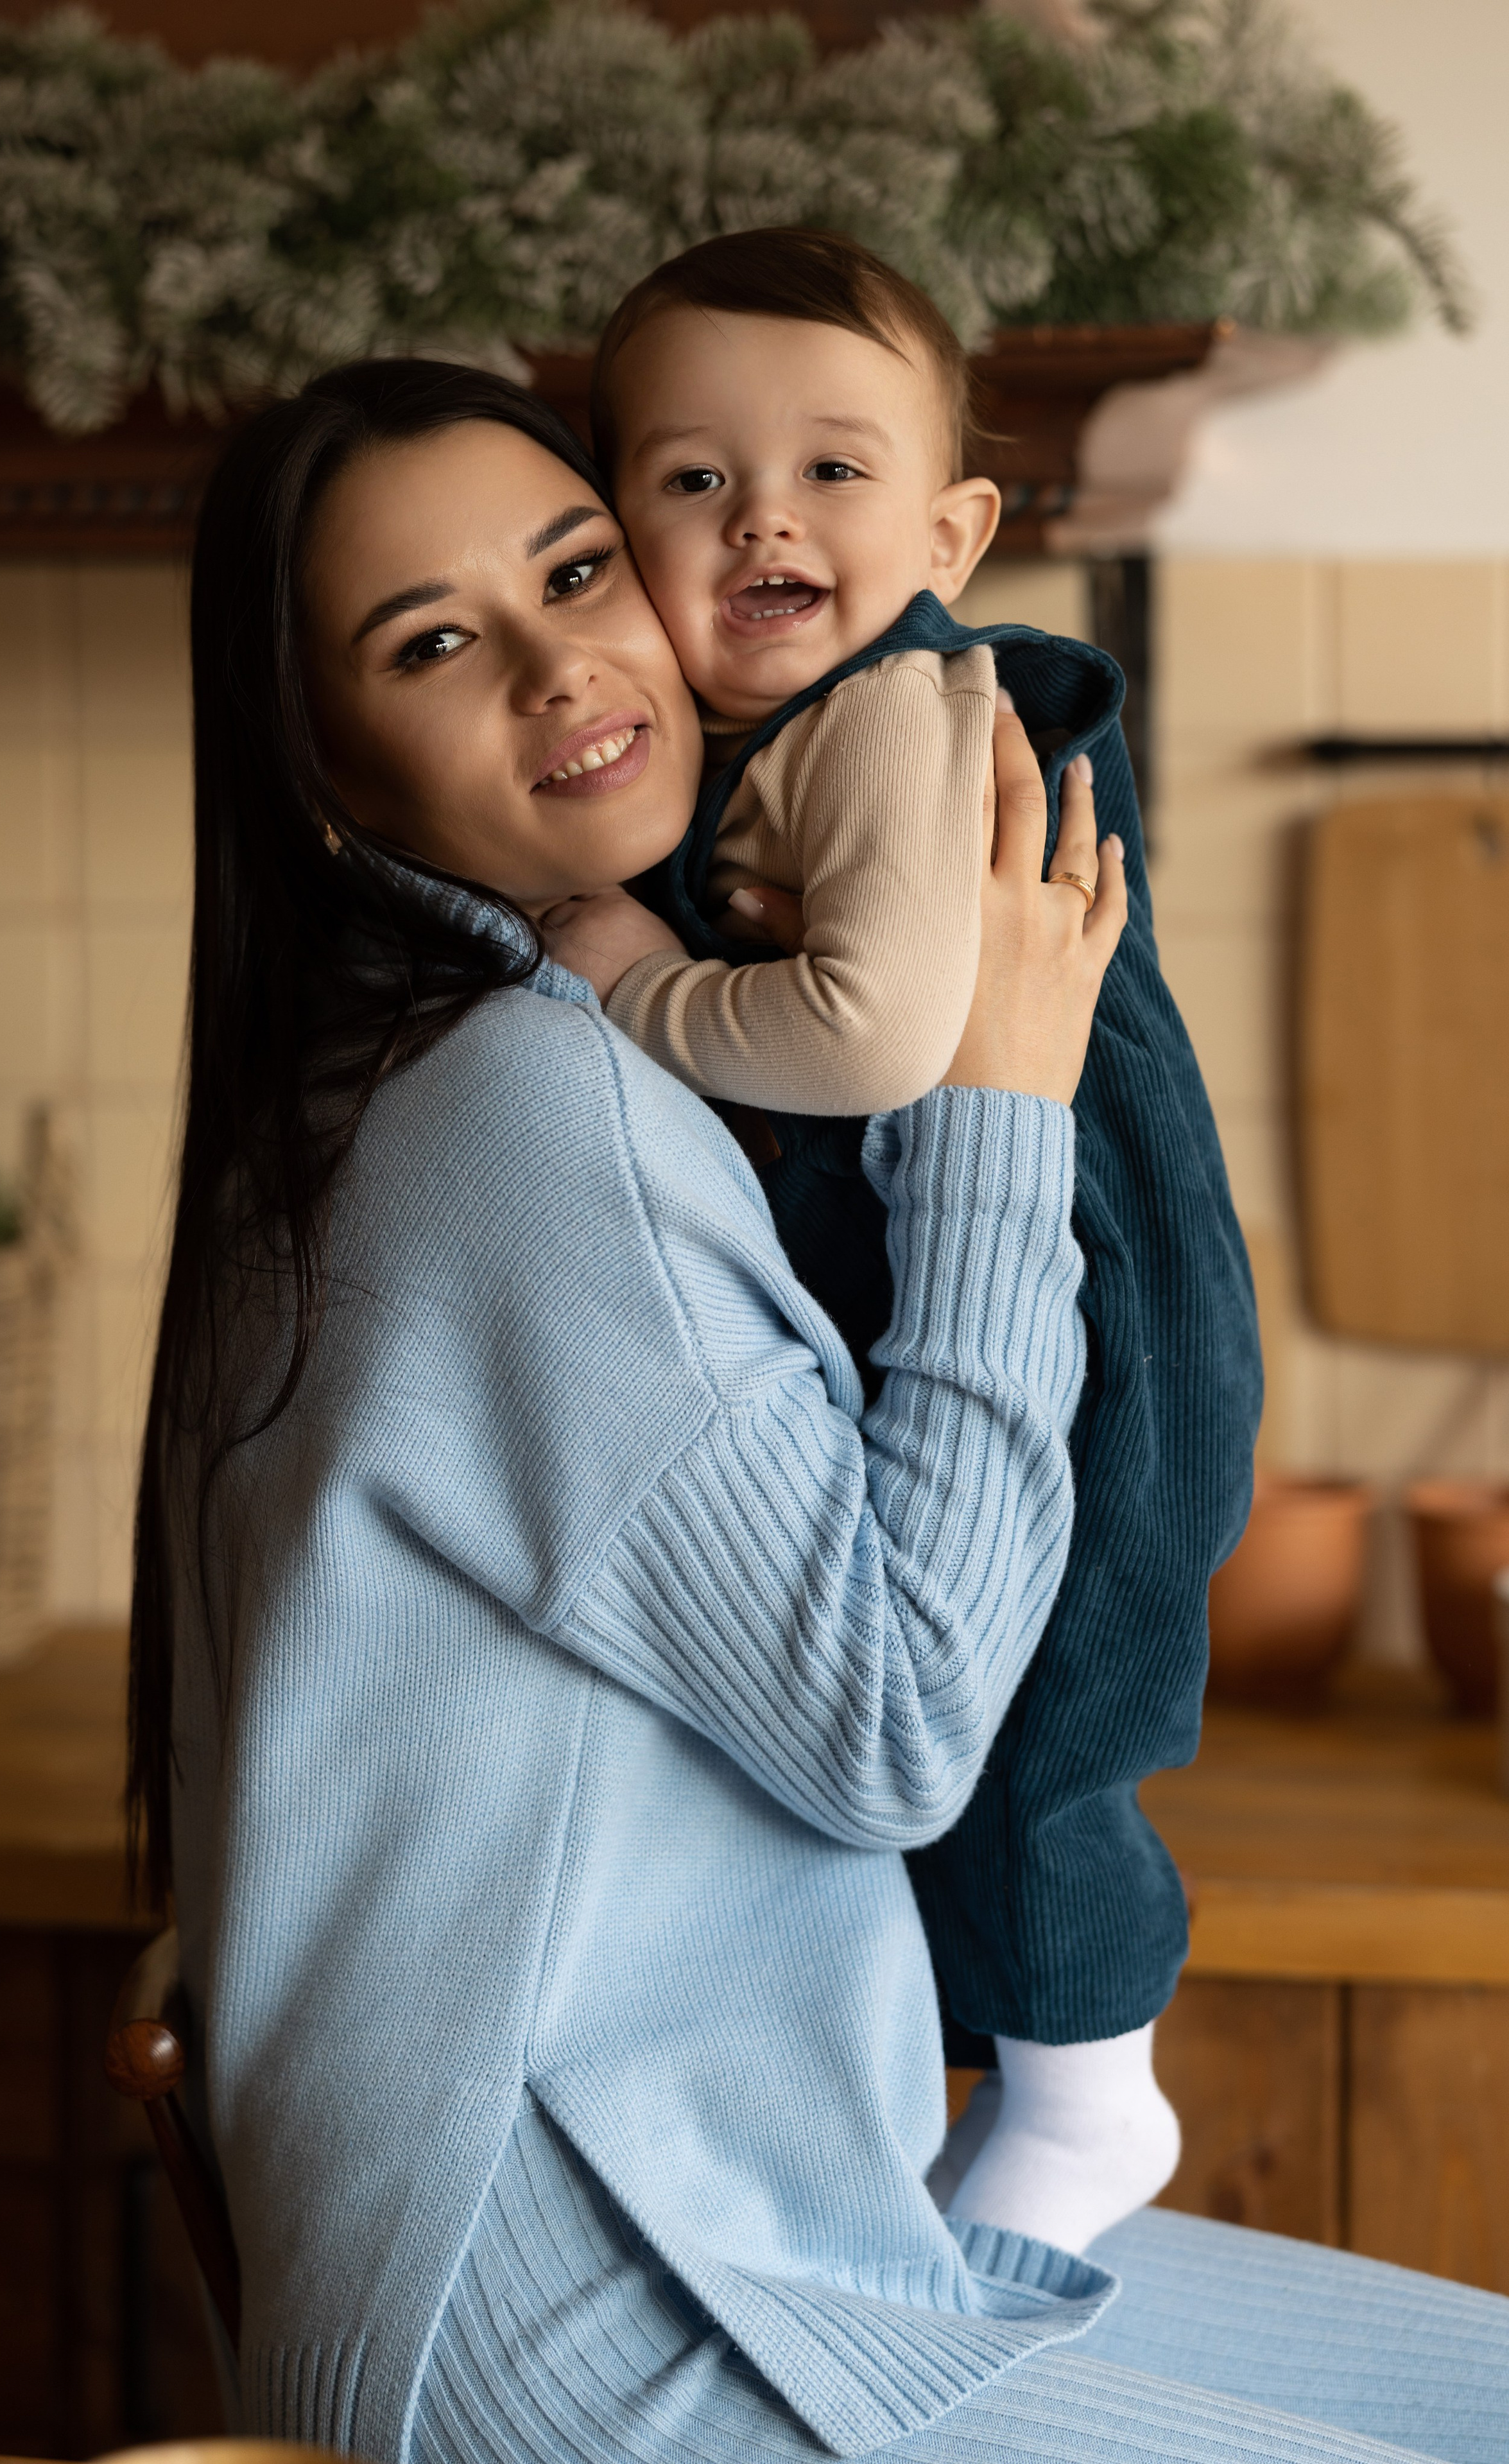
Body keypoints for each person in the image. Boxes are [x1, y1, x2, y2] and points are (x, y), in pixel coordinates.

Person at [130, 355, 1508, 2464]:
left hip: (753, 2230)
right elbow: (895, 1719)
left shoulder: (403, 1067)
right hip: (587, 2324)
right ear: (327, 767)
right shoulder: (509, 1110)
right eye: (431, 643)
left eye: (576, 568)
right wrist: (994, 1109)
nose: (558, 666)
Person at [544, 228, 1262, 2255]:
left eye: (833, 473)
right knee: (1003, 1704)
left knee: (1047, 1720)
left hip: (1102, 1313)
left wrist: (632, 990)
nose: (762, 514)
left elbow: (868, 1040)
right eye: (691, 481)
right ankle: (1042, 2086)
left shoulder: (885, 721)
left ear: (954, 525)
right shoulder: (809, 731)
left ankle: (1087, 2099)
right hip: (1057, 1277)